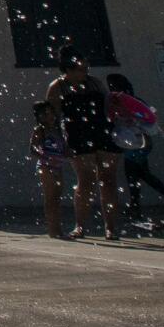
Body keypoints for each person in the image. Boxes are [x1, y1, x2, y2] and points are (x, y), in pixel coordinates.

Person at [45, 49, 122, 241]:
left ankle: (110, 228)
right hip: (77, 136)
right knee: (86, 182)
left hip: (102, 133)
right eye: (81, 68)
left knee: (109, 181)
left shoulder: (94, 83)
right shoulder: (58, 87)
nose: (85, 71)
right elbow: (52, 119)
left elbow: (108, 107)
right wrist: (60, 143)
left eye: (86, 67)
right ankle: (80, 225)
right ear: (68, 70)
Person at [107, 73, 164, 225]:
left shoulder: (127, 102)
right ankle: (137, 206)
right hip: (136, 143)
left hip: (138, 143)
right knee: (137, 175)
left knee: (137, 175)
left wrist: (129, 117)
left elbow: (145, 119)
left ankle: (160, 200)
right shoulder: (131, 101)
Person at [28, 101, 68, 238]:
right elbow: (32, 148)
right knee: (50, 197)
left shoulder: (58, 130)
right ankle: (53, 229)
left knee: (57, 197)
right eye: (45, 114)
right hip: (45, 166)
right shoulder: (40, 130)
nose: (49, 116)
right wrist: (44, 156)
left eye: (51, 113)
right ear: (39, 117)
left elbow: (64, 148)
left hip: (58, 165)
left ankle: (58, 228)